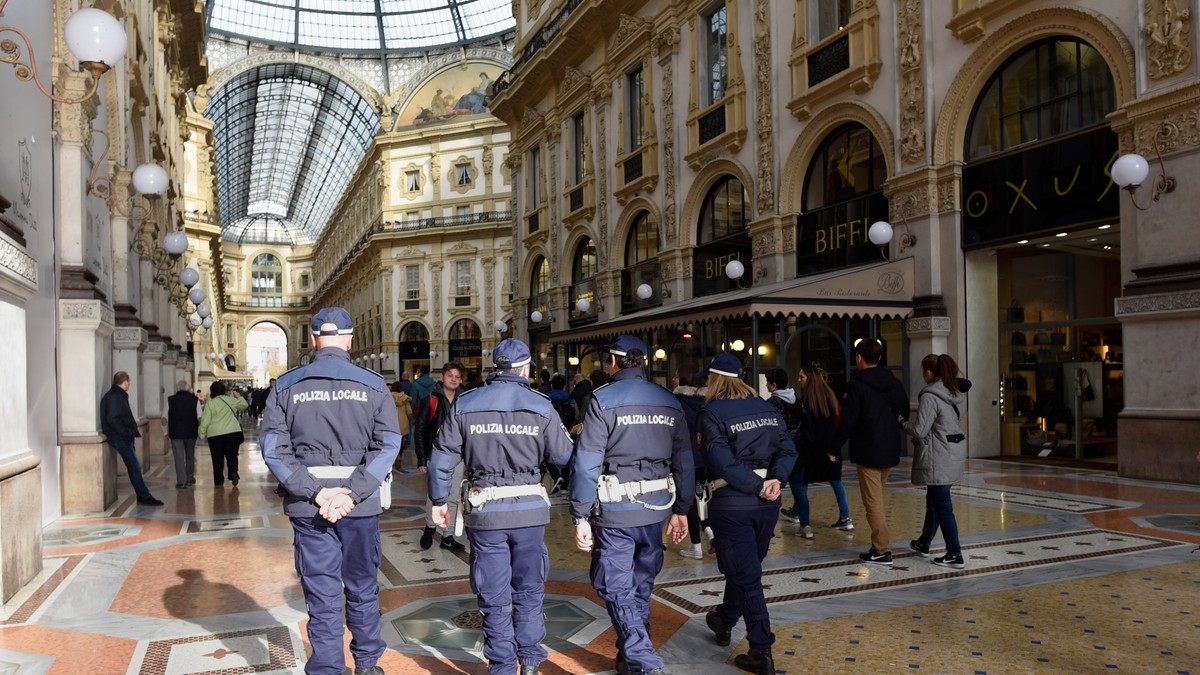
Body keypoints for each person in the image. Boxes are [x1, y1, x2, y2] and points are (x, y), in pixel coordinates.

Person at [259, 306, 401, 675]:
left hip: (310, 509)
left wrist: (315, 492)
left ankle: (327, 668)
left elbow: (273, 449)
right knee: (362, 586)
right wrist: (351, 493)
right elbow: (388, 445)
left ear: (313, 339)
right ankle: (366, 664)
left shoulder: (286, 385)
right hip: (359, 507)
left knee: (321, 592)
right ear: (350, 340)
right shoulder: (373, 384)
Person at [429, 339, 574, 675]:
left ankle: (502, 666)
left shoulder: (466, 403)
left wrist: (438, 500)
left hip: (486, 512)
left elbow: (442, 457)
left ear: (495, 367)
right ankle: (531, 660)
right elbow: (564, 456)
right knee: (529, 589)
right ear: (524, 370)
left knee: (494, 595)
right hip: (529, 512)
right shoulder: (541, 405)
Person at [572, 335, 694, 675]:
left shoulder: (603, 399)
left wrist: (580, 514)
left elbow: (587, 463)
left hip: (616, 512)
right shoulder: (668, 400)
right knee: (640, 583)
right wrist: (682, 510)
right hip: (656, 510)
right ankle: (630, 657)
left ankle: (643, 658)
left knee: (615, 585)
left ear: (613, 362)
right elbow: (685, 460)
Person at [697, 353, 796, 675]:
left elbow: (721, 462)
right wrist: (775, 481)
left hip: (733, 503)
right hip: (768, 503)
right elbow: (788, 449)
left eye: (707, 378)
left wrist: (758, 486)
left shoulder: (712, 412)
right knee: (746, 569)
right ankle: (724, 619)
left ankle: (761, 649)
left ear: (715, 379)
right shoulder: (766, 408)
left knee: (747, 576)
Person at [831, 338, 909, 566]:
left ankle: (882, 549)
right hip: (890, 447)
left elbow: (848, 421)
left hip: (868, 450)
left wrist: (834, 446)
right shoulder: (894, 382)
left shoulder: (856, 386)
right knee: (876, 498)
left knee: (873, 502)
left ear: (858, 358)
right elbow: (904, 409)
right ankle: (879, 547)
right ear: (880, 357)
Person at [903, 354, 970, 570]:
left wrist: (901, 422)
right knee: (934, 500)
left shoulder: (930, 396)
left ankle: (954, 553)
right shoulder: (956, 392)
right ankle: (924, 542)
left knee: (942, 505)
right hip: (953, 451)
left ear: (930, 372)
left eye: (924, 371)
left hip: (939, 455)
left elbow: (920, 430)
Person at [795, 364, 854, 533]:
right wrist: (834, 447)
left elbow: (804, 427)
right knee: (836, 481)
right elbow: (838, 423)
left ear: (810, 378)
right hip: (830, 448)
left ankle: (800, 515)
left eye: (802, 377)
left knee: (802, 482)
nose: (799, 380)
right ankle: (845, 518)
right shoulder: (830, 396)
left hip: (812, 449)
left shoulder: (806, 400)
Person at [415, 362, 466, 551]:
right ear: (443, 377)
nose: (454, 379)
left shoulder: (465, 400)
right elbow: (420, 429)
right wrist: (422, 458)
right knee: (434, 495)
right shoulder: (431, 400)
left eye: (457, 377)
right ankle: (430, 528)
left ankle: (447, 536)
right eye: (450, 375)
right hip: (436, 455)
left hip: (458, 456)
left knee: (453, 496)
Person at [99, 372, 163, 506]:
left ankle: (142, 495)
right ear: (125, 382)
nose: (129, 384)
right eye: (129, 382)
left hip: (122, 436)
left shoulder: (117, 395)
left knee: (134, 466)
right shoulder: (115, 397)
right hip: (120, 437)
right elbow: (112, 418)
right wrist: (125, 433)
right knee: (135, 466)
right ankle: (144, 496)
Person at [763, 368, 807, 535]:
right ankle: (806, 525)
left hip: (780, 451)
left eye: (767, 383)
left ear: (774, 385)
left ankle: (769, 527)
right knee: (799, 489)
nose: (766, 386)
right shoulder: (797, 400)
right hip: (798, 449)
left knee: (774, 487)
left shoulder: (772, 403)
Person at [673, 364, 711, 560]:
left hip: (685, 460)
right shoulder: (708, 401)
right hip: (706, 458)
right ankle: (710, 532)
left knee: (687, 502)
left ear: (684, 380)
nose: (673, 379)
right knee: (703, 498)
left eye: (676, 376)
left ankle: (696, 546)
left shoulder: (676, 402)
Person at [198, 381, 248, 487]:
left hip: (215, 435)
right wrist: (239, 396)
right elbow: (244, 405)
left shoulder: (210, 404)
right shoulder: (231, 400)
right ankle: (233, 473)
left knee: (217, 459)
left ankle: (219, 481)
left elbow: (205, 420)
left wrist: (201, 434)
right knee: (232, 455)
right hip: (232, 432)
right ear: (224, 391)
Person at [164, 378, 201, 490]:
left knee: (179, 457)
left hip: (176, 433)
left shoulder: (170, 400)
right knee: (190, 456)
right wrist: (200, 430)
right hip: (191, 432)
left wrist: (165, 432)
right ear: (188, 389)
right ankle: (190, 477)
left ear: (177, 389)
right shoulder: (195, 400)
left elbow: (164, 419)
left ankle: (182, 481)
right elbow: (200, 417)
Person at [546, 374, 576, 495]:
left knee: (547, 452)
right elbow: (576, 414)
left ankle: (556, 476)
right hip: (567, 429)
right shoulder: (570, 398)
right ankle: (565, 486)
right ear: (564, 386)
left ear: (552, 385)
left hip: (552, 430)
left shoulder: (547, 399)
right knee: (566, 452)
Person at [389, 381, 413, 472]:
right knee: (400, 443)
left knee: (391, 443)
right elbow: (409, 412)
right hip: (402, 425)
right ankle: (399, 460)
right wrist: (411, 420)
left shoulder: (388, 397)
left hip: (391, 424)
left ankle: (391, 459)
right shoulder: (405, 399)